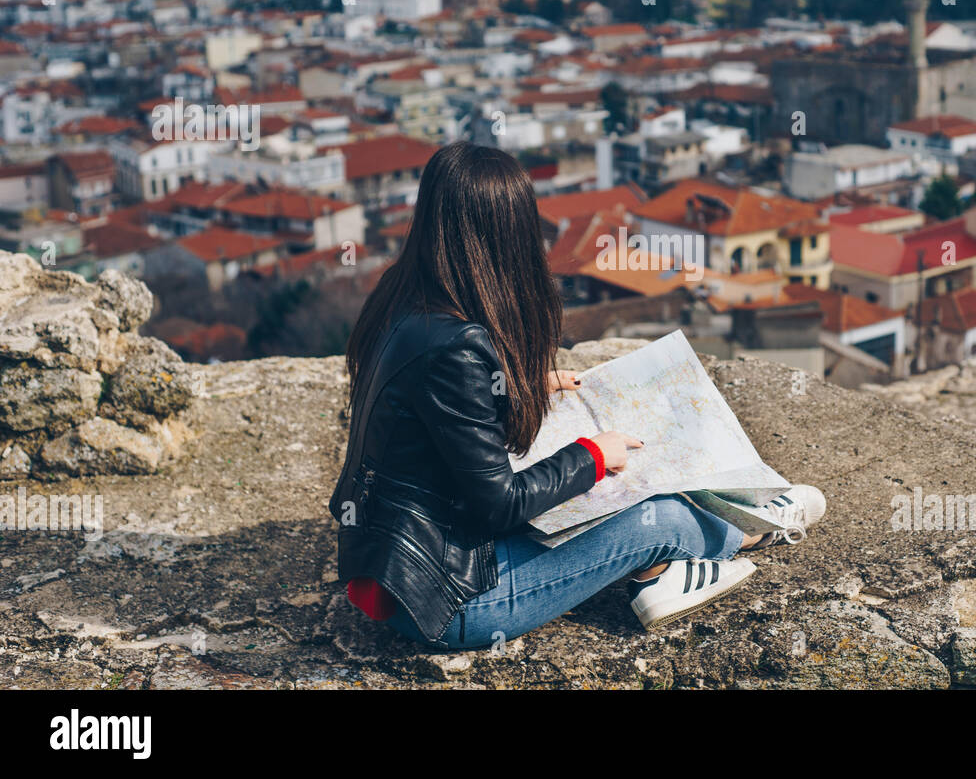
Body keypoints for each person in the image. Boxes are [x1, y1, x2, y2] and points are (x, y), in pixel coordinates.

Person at [329, 143, 826, 650]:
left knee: (628, 491)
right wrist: (592, 455)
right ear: (508, 230)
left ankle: (678, 557)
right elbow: (501, 505)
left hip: (401, 566)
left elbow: (435, 420)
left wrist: (511, 386)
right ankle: (749, 531)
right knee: (659, 513)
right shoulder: (455, 348)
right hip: (450, 600)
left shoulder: (404, 295)